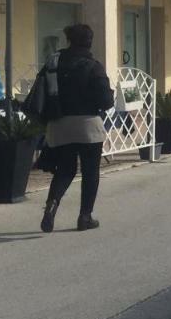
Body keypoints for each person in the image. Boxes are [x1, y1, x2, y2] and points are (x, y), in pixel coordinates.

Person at [40, 23, 115, 232]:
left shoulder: (53, 64)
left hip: (60, 123)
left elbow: (42, 91)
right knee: (91, 172)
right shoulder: (93, 65)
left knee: (65, 169)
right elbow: (107, 101)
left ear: (69, 40)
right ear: (89, 42)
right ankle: (85, 217)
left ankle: (51, 206)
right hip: (88, 126)